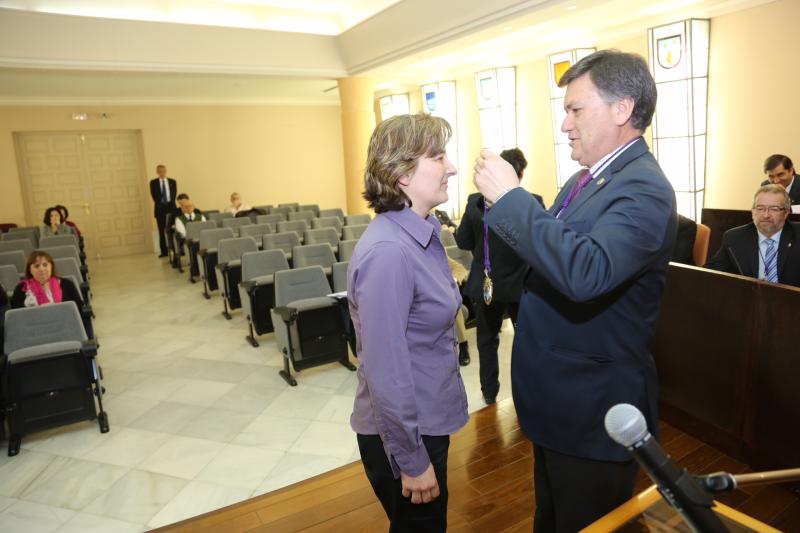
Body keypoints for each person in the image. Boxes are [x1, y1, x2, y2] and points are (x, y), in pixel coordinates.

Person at [473, 50, 677, 532]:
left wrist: (512, 199)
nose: (565, 124)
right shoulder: (584, 180)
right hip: (561, 404)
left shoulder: (645, 188)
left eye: (575, 109)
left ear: (622, 109)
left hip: (594, 409)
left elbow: (587, 272)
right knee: (552, 519)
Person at [348, 113, 468, 532]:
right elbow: (386, 372)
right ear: (401, 174)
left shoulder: (422, 232)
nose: (451, 167)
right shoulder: (389, 252)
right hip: (405, 436)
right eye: (438, 157)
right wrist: (411, 461)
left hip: (424, 422)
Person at [455, 147, 543, 405]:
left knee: (486, 341)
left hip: (486, 284)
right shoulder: (532, 201)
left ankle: (489, 392)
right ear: (520, 174)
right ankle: (529, 392)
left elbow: (463, 241)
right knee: (526, 341)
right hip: (521, 285)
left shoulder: (475, 202)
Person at [704, 184, 800, 287]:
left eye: (774, 209)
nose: (766, 215)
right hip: (748, 296)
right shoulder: (735, 237)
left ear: (786, 213)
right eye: (760, 208)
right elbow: (711, 272)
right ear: (753, 211)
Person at [10, 251, 83, 314]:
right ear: (30, 270)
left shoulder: (67, 284)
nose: (41, 269)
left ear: (51, 266)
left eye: (45, 265)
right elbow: (16, 317)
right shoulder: (20, 289)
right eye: (36, 266)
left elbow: (80, 310)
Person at [149, 164, 178, 258]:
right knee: (161, 231)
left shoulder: (172, 182)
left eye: (163, 171)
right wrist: (161, 203)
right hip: (160, 208)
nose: (162, 173)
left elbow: (173, 195)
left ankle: (175, 249)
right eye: (160, 171)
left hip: (171, 207)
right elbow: (154, 196)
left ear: (166, 171)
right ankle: (164, 251)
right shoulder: (153, 183)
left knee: (172, 229)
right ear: (157, 172)